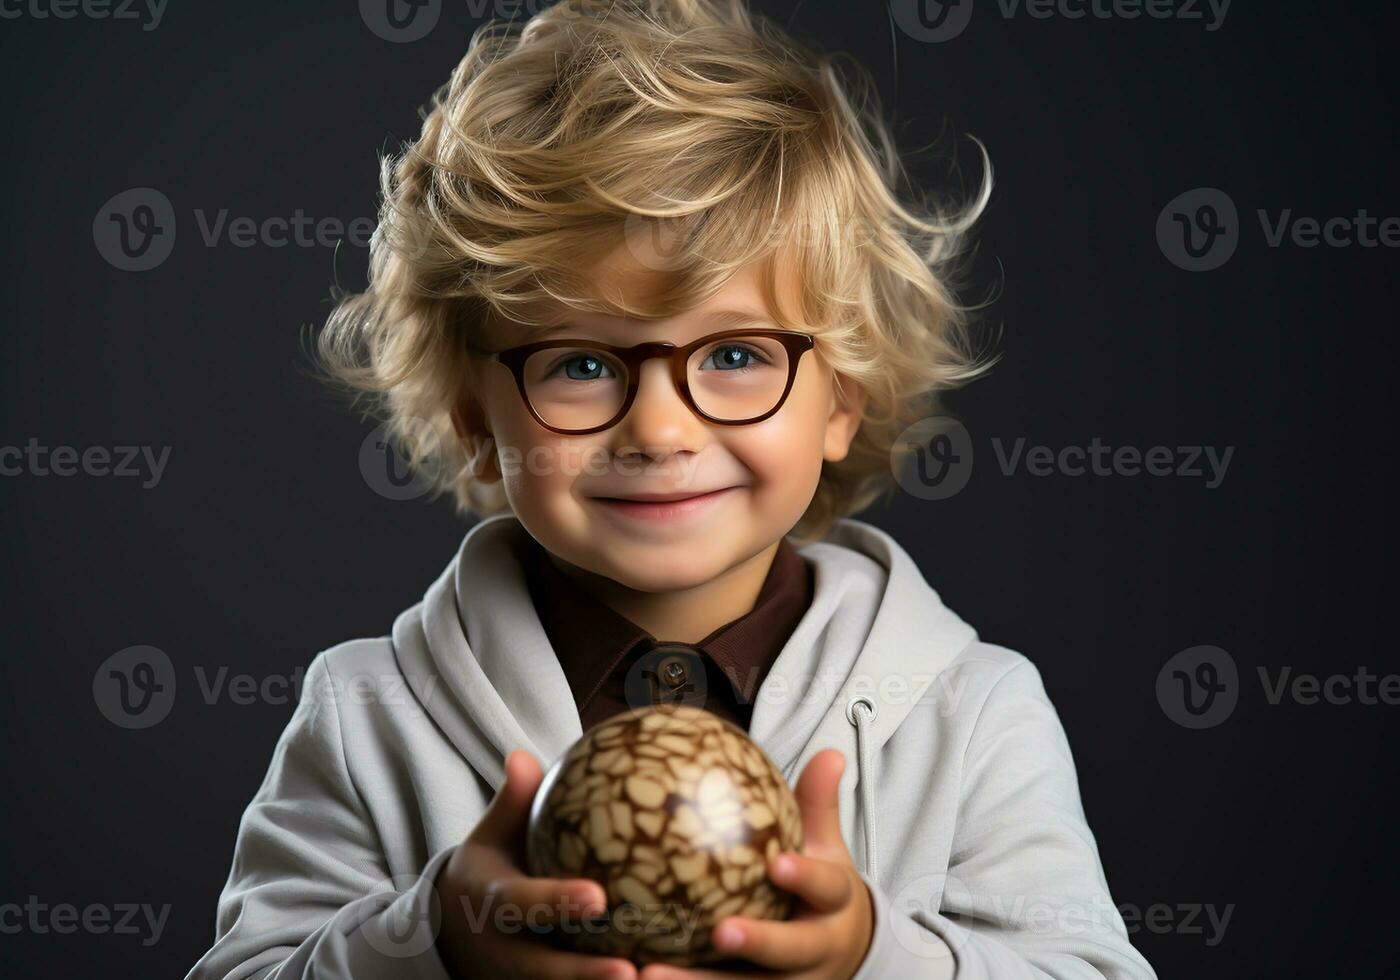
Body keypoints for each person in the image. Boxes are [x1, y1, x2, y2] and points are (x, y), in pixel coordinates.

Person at [188, 1, 1156, 977]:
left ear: (838, 401)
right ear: (476, 417)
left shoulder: (971, 712)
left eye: (735, 352)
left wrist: (867, 953)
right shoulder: (366, 715)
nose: (658, 428)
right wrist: (429, 941)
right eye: (578, 364)